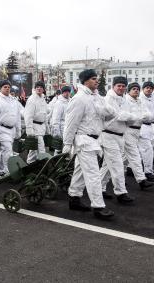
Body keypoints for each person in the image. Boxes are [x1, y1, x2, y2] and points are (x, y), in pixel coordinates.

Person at [63, 69, 117, 219]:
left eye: (96, 78)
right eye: (93, 78)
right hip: (84, 140)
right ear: (85, 81)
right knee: (93, 174)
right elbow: (70, 124)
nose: (96, 81)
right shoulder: (79, 98)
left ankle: (74, 198)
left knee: (80, 172)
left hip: (94, 140)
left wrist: (104, 110)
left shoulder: (96, 97)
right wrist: (67, 144)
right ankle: (98, 207)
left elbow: (111, 114)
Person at [99, 77, 140, 203]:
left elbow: (129, 117)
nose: (121, 88)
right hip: (108, 135)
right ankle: (121, 192)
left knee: (107, 166)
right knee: (117, 165)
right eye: (119, 86)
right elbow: (119, 115)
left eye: (123, 86)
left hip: (120, 135)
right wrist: (129, 117)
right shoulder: (108, 99)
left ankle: (99, 187)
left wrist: (129, 117)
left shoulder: (124, 100)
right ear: (113, 86)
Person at [124, 82, 154, 190]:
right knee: (135, 156)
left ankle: (109, 181)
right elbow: (127, 116)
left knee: (120, 159)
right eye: (133, 89)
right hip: (128, 131)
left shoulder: (139, 101)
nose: (136, 90)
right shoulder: (125, 101)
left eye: (137, 89)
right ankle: (141, 180)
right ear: (129, 91)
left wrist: (143, 116)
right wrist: (140, 117)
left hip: (138, 130)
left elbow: (149, 115)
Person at [0, 80, 22, 176]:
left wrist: (18, 130)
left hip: (11, 130)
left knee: (3, 151)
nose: (7, 88)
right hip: (1, 129)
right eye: (5, 87)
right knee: (7, 151)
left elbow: (17, 116)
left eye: (8, 87)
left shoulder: (14, 101)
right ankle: (8, 172)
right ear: (0, 88)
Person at [24, 81, 48, 164]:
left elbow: (44, 115)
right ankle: (43, 164)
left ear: (43, 89)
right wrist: (29, 130)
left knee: (33, 148)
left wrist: (47, 128)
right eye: (37, 87)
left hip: (41, 127)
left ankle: (29, 163)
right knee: (41, 147)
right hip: (34, 126)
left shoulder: (43, 99)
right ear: (35, 88)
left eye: (41, 87)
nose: (39, 88)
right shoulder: (32, 99)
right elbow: (28, 116)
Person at [50, 86, 70, 155]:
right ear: (62, 93)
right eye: (65, 92)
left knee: (67, 148)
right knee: (58, 148)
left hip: (68, 127)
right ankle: (56, 163)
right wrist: (57, 132)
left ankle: (64, 163)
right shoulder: (59, 103)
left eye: (68, 92)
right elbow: (56, 118)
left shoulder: (70, 102)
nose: (67, 93)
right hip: (61, 128)